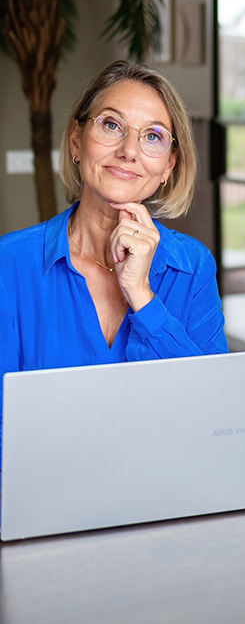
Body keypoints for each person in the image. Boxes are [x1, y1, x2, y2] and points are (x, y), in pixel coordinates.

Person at [0, 60, 228, 449]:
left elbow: (214, 416)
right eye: (111, 125)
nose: (129, 151)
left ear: (169, 166)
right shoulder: (10, 263)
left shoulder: (193, 266)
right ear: (76, 140)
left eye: (153, 136)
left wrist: (141, 293)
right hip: (45, 496)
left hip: (165, 493)